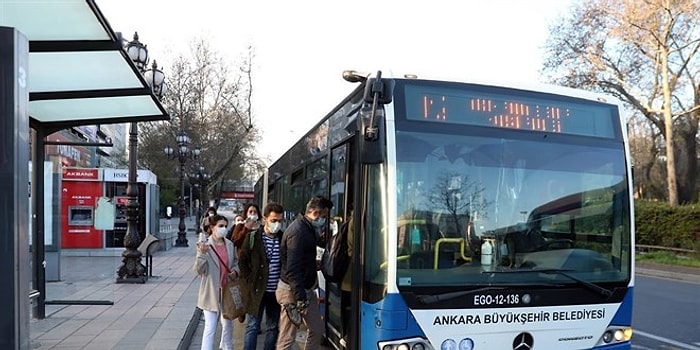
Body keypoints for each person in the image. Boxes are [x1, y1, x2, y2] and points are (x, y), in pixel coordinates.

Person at [276, 195, 333, 350]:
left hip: (305, 289)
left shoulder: (307, 229)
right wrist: (300, 298)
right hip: (292, 291)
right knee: (287, 338)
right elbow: (292, 268)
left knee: (317, 329)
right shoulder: (298, 232)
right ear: (315, 213)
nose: (324, 220)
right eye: (324, 216)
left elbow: (302, 260)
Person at [239, 202, 284, 350]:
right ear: (265, 219)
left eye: (279, 221)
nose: (277, 224)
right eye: (273, 220)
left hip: (275, 292)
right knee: (253, 326)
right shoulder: (253, 237)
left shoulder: (283, 239)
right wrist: (249, 279)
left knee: (273, 327)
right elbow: (242, 261)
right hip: (257, 290)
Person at [194, 214, 240, 350]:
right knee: (210, 326)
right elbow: (198, 270)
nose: (224, 229)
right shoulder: (205, 246)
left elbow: (236, 263)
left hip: (227, 290)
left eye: (225, 226)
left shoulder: (230, 244)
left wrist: (235, 272)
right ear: (212, 227)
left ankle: (227, 347)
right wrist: (201, 254)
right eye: (220, 226)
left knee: (227, 324)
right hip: (210, 292)